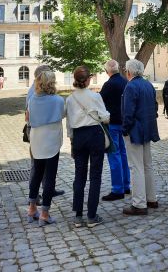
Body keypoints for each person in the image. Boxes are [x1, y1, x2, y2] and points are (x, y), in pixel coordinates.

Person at [65, 66, 110, 228]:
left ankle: (78, 216)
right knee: (95, 176)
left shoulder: (70, 99)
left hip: (78, 136)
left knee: (79, 176)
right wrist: (106, 116)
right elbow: (105, 117)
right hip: (94, 135)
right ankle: (91, 216)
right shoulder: (94, 96)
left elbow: (69, 124)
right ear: (89, 79)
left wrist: (71, 141)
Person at [26, 70, 65, 227]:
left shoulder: (32, 99)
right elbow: (61, 115)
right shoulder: (58, 100)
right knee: (49, 177)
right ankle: (45, 213)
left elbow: (28, 119)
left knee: (36, 174)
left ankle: (31, 208)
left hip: (36, 138)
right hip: (51, 139)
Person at [122, 59, 159, 215]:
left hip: (135, 130)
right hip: (147, 127)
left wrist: (125, 129)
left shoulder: (131, 86)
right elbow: (155, 106)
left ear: (129, 72)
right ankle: (151, 198)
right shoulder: (148, 84)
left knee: (136, 166)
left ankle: (139, 203)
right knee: (147, 165)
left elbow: (128, 112)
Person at [99, 59, 131, 201]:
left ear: (107, 72)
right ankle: (126, 185)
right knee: (123, 154)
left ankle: (117, 189)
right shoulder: (125, 82)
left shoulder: (108, 84)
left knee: (114, 155)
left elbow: (99, 102)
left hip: (112, 124)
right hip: (124, 123)